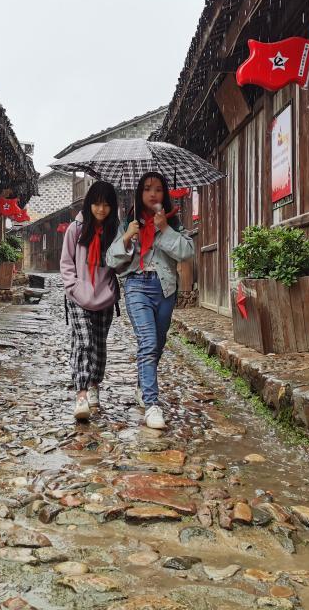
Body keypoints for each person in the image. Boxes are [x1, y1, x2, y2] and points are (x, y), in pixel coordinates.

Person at [107, 171, 193, 429]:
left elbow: (186, 252)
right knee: (148, 341)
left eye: (157, 189)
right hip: (137, 286)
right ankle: (152, 404)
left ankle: (142, 385)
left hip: (165, 289)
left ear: (164, 193)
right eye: (147, 188)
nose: (152, 193)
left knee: (158, 343)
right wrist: (126, 237)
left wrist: (164, 229)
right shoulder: (129, 222)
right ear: (139, 193)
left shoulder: (173, 222)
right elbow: (111, 260)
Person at [59, 180, 120, 421]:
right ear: (89, 204)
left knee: (99, 345)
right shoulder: (76, 229)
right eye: (96, 204)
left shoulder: (116, 231)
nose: (101, 209)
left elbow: (120, 264)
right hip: (78, 296)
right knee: (83, 342)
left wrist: (128, 239)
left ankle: (94, 384)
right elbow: (66, 262)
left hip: (105, 296)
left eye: (106, 204)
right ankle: (82, 394)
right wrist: (72, 287)